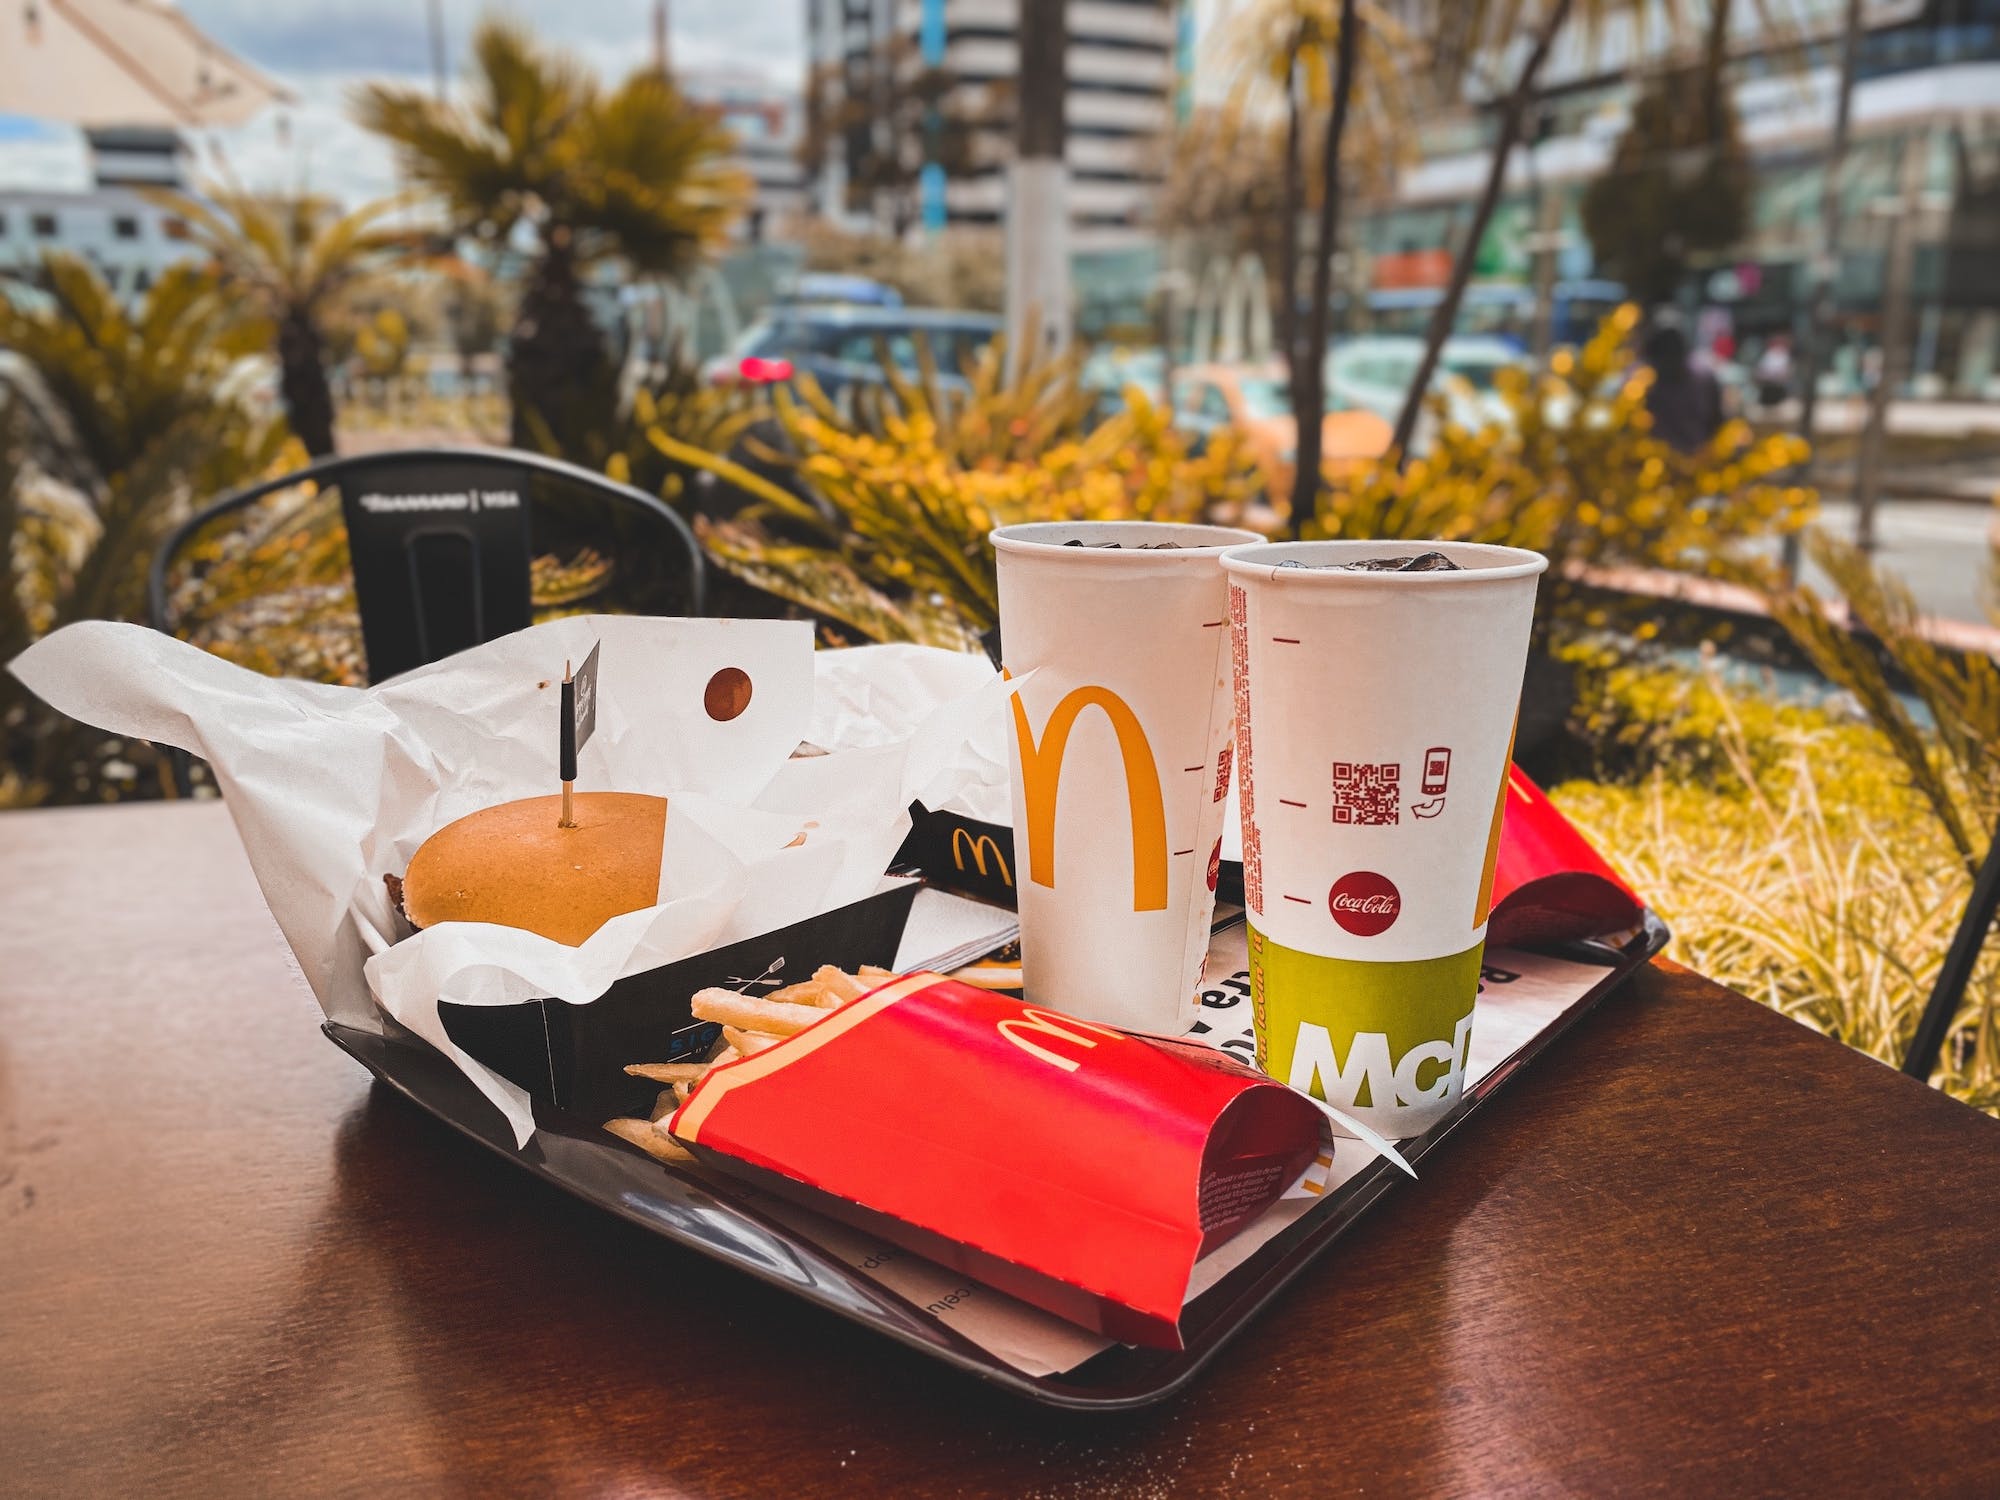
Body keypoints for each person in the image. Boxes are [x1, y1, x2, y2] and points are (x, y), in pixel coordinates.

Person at [1642, 320, 1723, 455]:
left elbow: (1717, 421)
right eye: (1664, 353)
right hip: (1655, 464)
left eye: (1673, 352)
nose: (1669, 360)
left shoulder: (1703, 380)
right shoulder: (1642, 386)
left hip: (1697, 461)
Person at [1754, 334, 1793, 409]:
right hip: (1768, 381)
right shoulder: (1768, 354)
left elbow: (1787, 371)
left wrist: (1778, 375)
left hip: (1780, 383)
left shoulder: (1785, 355)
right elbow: (1760, 370)